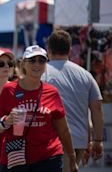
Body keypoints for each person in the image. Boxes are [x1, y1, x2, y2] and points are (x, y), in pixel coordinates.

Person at [0, 45, 78, 172]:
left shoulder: (52, 92)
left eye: (41, 60)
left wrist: (72, 156)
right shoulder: (9, 90)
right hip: (17, 159)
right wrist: (6, 121)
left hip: (49, 158)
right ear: (23, 64)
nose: (37, 64)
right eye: (32, 60)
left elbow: (63, 129)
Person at [42, 29, 104, 170]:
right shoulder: (85, 75)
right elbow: (97, 109)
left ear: (48, 49)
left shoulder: (41, 74)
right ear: (70, 50)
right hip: (78, 141)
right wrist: (97, 140)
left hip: (50, 142)